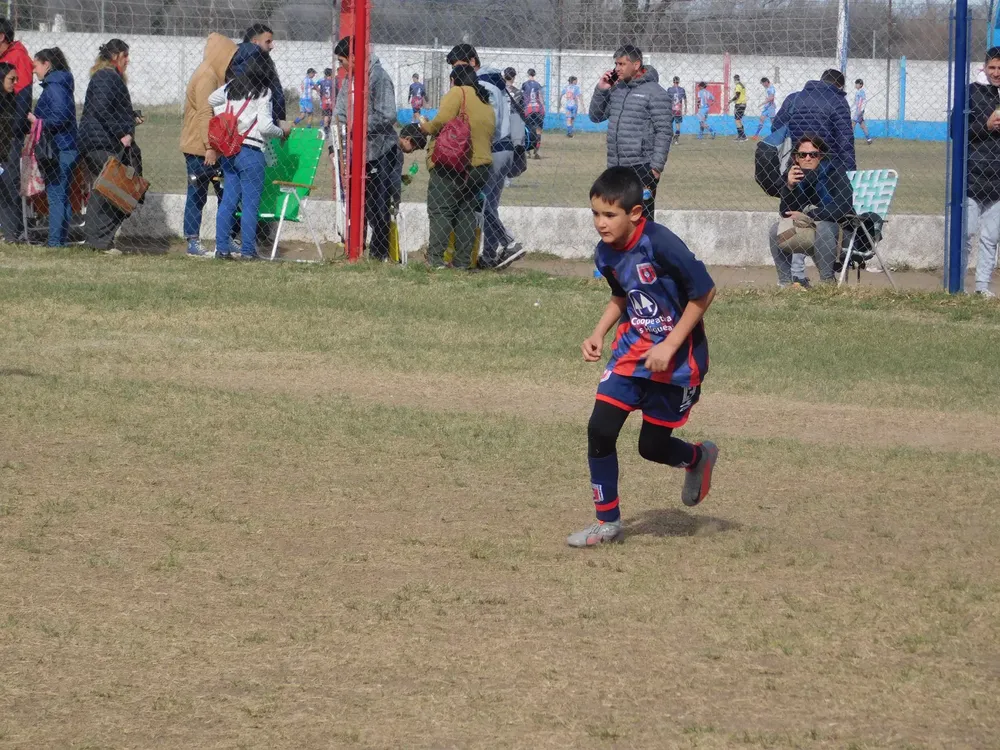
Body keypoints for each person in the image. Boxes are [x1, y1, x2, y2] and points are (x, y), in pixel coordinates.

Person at [567, 166, 719, 547]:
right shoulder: (606, 251)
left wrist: (669, 345)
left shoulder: (662, 244)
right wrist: (598, 332)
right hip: (631, 355)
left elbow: (704, 292)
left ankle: (697, 458)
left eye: (609, 215)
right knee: (600, 429)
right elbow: (623, 294)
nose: (600, 223)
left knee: (651, 447)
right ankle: (608, 524)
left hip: (677, 362)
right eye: (595, 214)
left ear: (635, 213)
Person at [446, 44, 526, 269]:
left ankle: (509, 242)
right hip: (505, 148)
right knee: (490, 203)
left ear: (472, 62)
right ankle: (489, 256)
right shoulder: (495, 82)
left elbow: (489, 121)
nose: (455, 73)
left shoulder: (482, 85)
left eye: (459, 66)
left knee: (481, 204)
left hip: (494, 149)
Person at [209, 56, 289, 260]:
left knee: (228, 202)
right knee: (250, 205)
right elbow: (265, 127)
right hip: (251, 152)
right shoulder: (264, 92)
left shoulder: (231, 87)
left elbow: (212, 100)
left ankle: (222, 249)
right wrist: (281, 132)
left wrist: (228, 115)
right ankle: (247, 252)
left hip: (230, 151)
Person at [418, 64, 494, 269]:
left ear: (453, 80)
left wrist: (424, 126)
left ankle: (435, 260)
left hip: (455, 164)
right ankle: (462, 263)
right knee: (466, 211)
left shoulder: (457, 93)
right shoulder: (484, 99)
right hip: (481, 167)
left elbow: (441, 120)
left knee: (441, 209)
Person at [335, 36, 400, 262]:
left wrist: (360, 124)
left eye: (342, 61)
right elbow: (340, 113)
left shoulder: (378, 78)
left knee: (377, 207)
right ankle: (354, 251)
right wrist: (338, 141)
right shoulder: (349, 81)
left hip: (380, 152)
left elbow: (388, 114)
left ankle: (379, 254)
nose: (340, 66)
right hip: (355, 153)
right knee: (355, 206)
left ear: (353, 58)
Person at [589, 44, 672, 221]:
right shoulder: (617, 89)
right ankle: (621, 250)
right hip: (616, 165)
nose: (617, 68)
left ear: (636, 65)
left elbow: (664, 131)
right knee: (617, 217)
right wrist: (602, 89)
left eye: (622, 64)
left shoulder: (655, 93)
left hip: (642, 166)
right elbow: (596, 116)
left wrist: (655, 168)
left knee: (641, 219)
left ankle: (645, 249)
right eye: (616, 64)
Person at [78, 39, 141, 254]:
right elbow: (102, 108)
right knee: (111, 189)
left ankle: (98, 240)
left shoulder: (106, 76)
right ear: (116, 56)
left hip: (99, 140)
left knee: (105, 188)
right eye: (125, 56)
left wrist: (130, 118)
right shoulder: (106, 76)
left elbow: (109, 108)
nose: (128, 60)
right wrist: (123, 132)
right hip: (101, 141)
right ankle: (98, 240)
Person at [768, 135, 853, 288]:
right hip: (808, 234)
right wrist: (789, 187)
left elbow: (843, 206)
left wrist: (810, 216)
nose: (808, 158)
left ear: (820, 156)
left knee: (824, 227)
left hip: (839, 235)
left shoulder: (834, 173)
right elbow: (786, 213)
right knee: (776, 230)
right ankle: (785, 284)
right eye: (803, 155)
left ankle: (827, 283)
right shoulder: (795, 175)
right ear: (796, 158)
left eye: (813, 154)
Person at [179, 32, 237, 257]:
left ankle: (227, 238)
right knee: (197, 193)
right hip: (199, 148)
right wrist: (209, 147)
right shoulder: (207, 77)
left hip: (213, 146)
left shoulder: (216, 75)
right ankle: (192, 240)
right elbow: (205, 114)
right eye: (230, 56)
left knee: (225, 193)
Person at [29, 48, 78, 248]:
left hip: (59, 149)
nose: (34, 71)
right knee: (62, 195)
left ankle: (55, 242)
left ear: (46, 64)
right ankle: (61, 239)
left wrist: (37, 120)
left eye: (36, 65)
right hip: (66, 146)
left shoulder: (55, 87)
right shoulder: (58, 85)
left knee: (56, 196)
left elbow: (60, 117)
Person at [965, 47, 1000, 298]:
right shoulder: (971, 92)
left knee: (991, 237)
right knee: (965, 234)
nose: (996, 73)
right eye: (992, 68)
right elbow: (960, 131)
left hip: (998, 181)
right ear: (984, 67)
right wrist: (986, 126)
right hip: (973, 176)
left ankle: (981, 287)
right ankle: (956, 285)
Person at [771, 69, 856, 172]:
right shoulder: (838, 101)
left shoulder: (793, 98)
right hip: (827, 167)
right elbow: (845, 140)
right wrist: (850, 172)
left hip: (797, 163)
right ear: (840, 86)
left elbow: (776, 128)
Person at [0, 20, 32, 241]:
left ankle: (12, 232)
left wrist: (13, 129)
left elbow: (23, 98)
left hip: (8, 133)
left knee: (9, 180)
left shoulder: (16, 57)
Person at [228, 24, 284, 125]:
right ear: (255, 42)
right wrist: (279, 121)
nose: (272, 46)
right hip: (258, 127)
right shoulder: (264, 62)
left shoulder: (228, 58)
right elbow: (277, 95)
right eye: (268, 42)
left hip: (231, 124)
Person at [0, 63, 20, 241]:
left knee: (7, 192)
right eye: (11, 79)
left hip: (5, 153)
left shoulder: (11, 99)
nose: (15, 82)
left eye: (16, 79)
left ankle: (8, 234)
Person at [521, 68, 545, 159]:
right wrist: (543, 108)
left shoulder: (524, 85)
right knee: (538, 131)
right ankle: (536, 152)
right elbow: (541, 97)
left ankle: (527, 152)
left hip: (528, 110)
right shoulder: (538, 85)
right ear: (534, 74)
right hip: (538, 109)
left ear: (528, 74)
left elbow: (522, 97)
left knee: (527, 130)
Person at [665, 76, 686, 144]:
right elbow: (685, 100)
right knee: (678, 125)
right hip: (678, 110)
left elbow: (666, 99)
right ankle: (676, 140)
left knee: (669, 124)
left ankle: (672, 137)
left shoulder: (669, 89)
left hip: (671, 109)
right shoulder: (682, 90)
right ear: (678, 81)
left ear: (673, 81)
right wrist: (685, 109)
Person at [853, 79, 873, 145]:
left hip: (859, 111)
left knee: (852, 124)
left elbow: (864, 102)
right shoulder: (857, 92)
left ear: (861, 85)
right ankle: (869, 139)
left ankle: (849, 139)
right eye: (855, 83)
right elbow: (855, 102)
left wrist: (861, 111)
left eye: (857, 84)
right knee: (862, 126)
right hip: (857, 110)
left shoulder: (862, 92)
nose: (856, 85)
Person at [730, 74, 748, 141]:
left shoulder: (738, 86)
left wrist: (730, 101)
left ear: (735, 79)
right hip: (743, 104)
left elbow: (737, 95)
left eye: (734, 80)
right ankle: (741, 136)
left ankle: (743, 136)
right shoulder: (742, 85)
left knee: (737, 121)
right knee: (739, 120)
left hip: (739, 104)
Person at [319, 67, 335, 138]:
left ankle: (326, 131)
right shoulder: (333, 82)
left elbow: (321, 92)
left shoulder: (322, 82)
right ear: (331, 74)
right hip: (331, 101)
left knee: (325, 116)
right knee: (331, 115)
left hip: (324, 101)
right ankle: (330, 129)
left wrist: (322, 98)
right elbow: (336, 91)